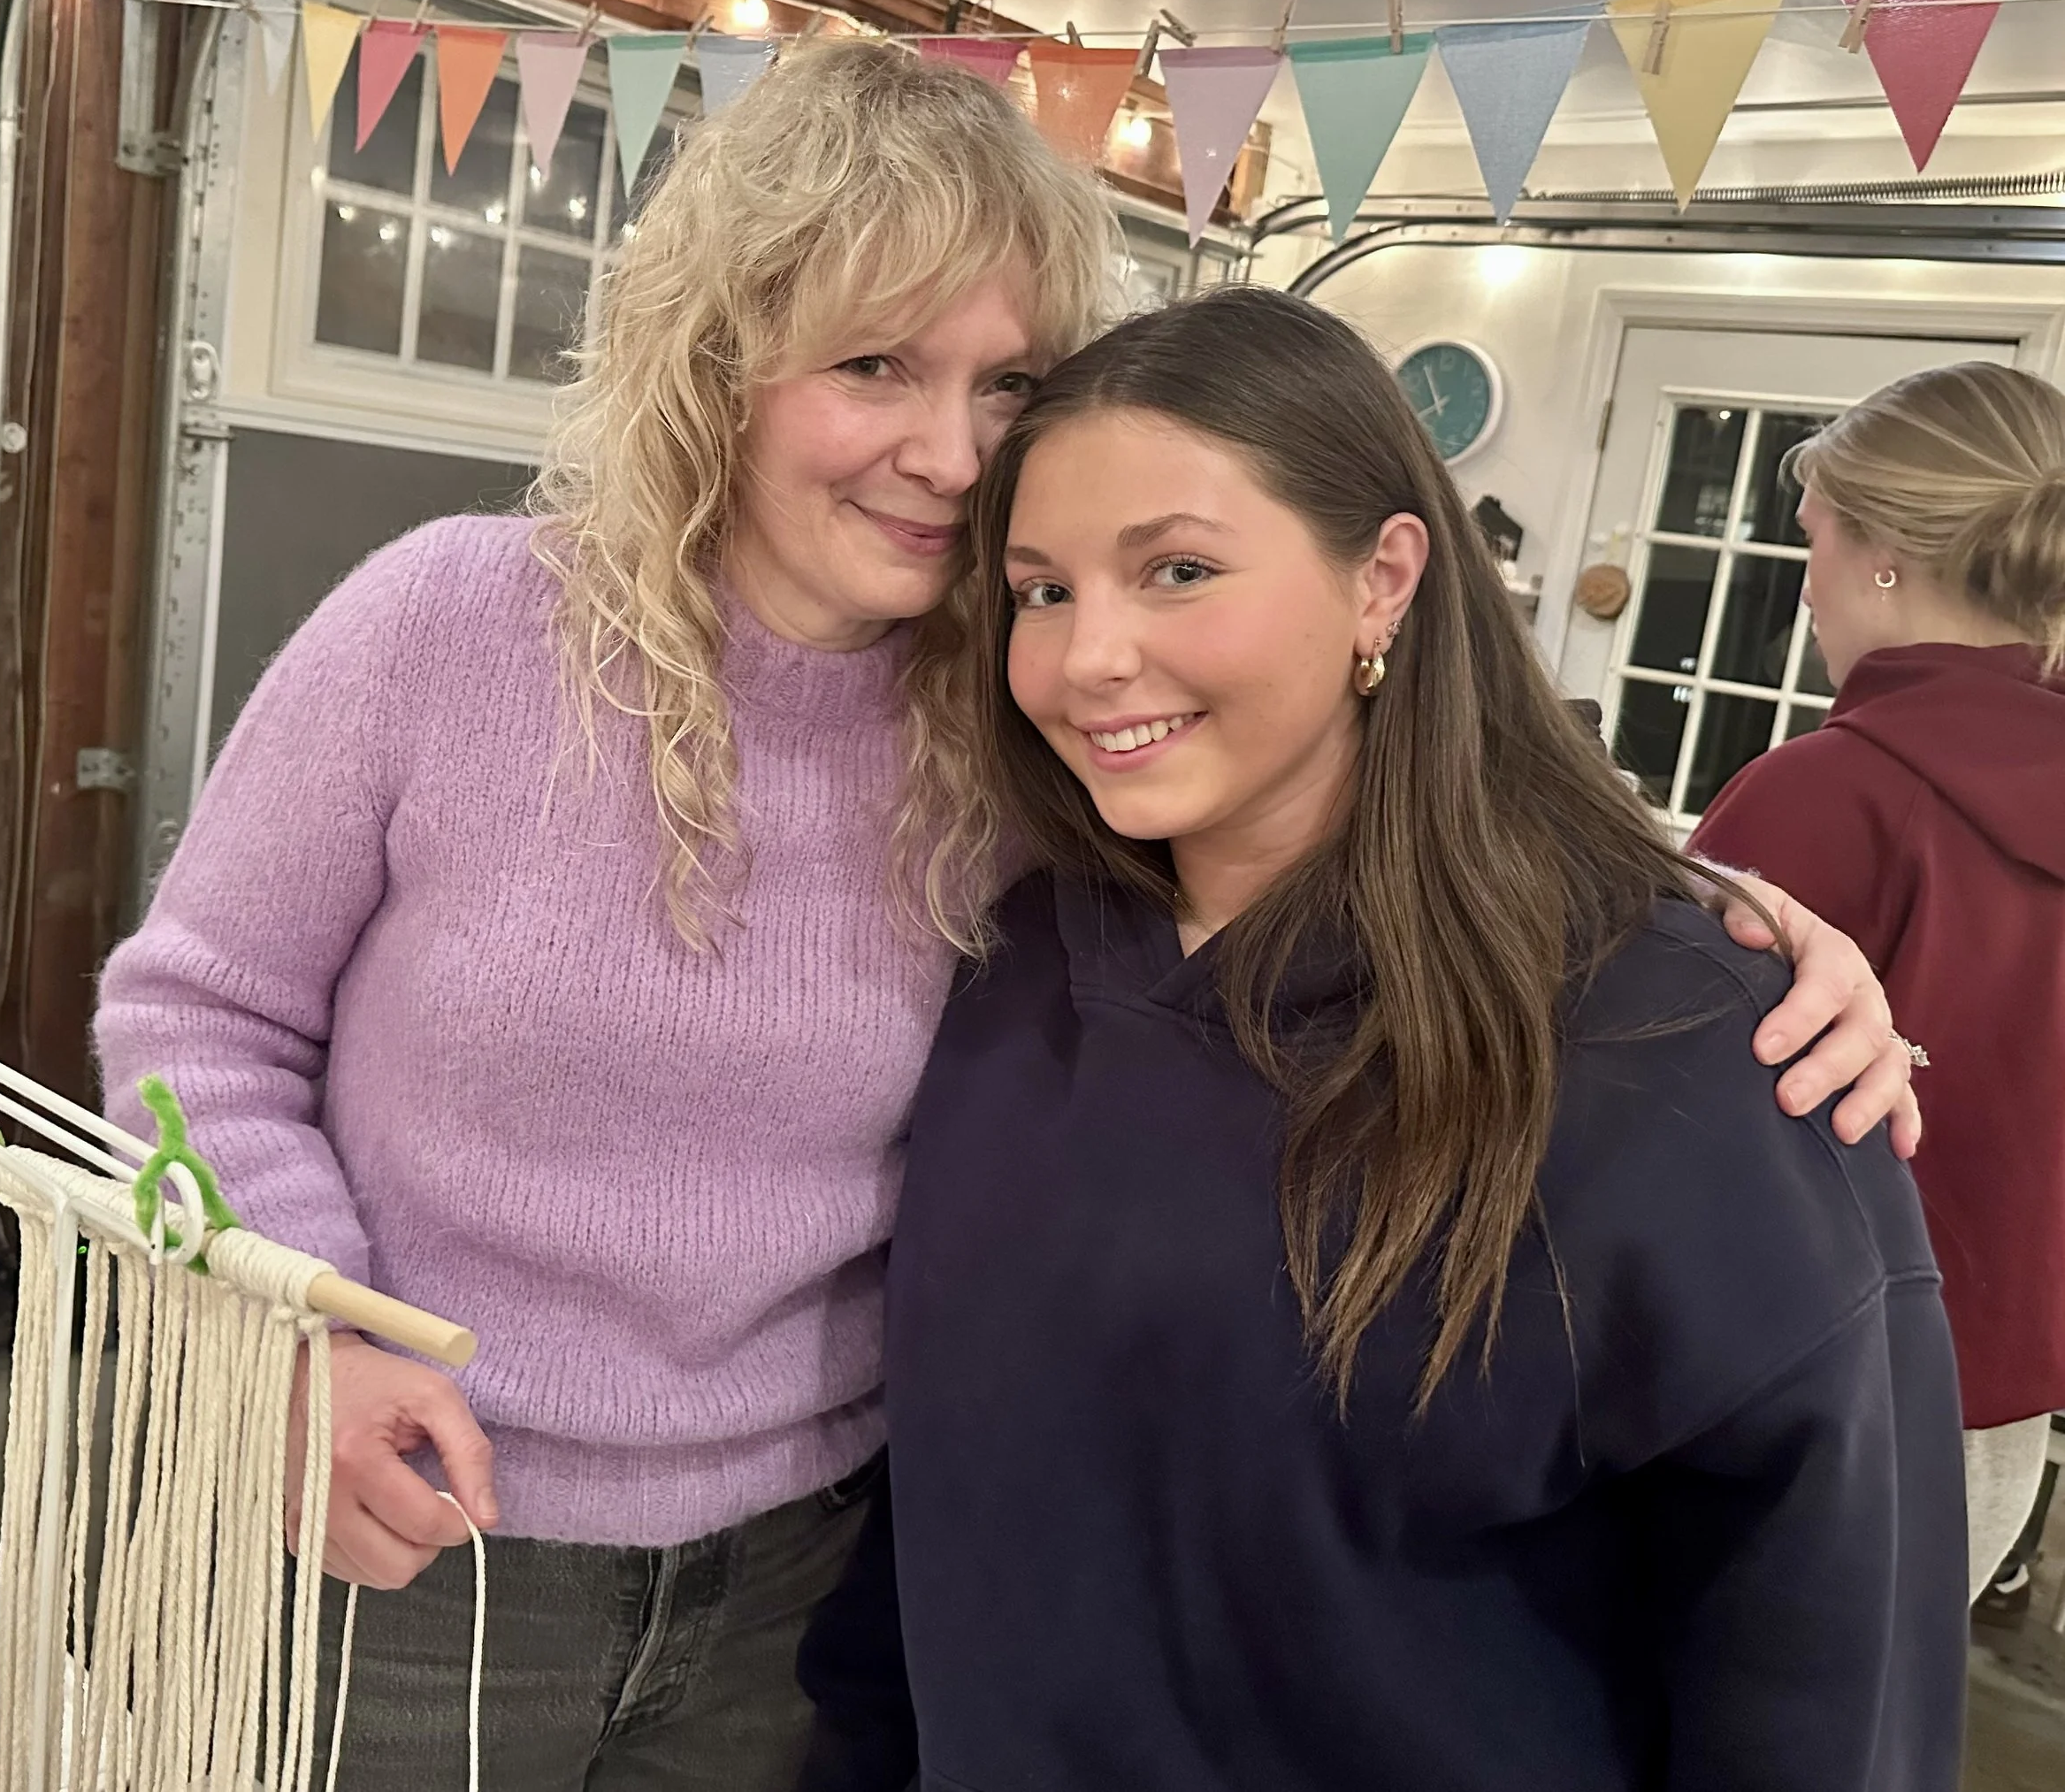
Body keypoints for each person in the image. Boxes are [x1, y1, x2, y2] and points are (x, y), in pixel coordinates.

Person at [94, 43, 1916, 1788]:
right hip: (406, 1538)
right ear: (723, 362)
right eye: (875, 365)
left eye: (1007, 387)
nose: (953, 455)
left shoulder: (1019, 723)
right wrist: (302, 1325)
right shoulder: (451, 624)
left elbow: (1342, 796)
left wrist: (1698, 911)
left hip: (804, 1584)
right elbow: (197, 1017)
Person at [796, 290, 1966, 1792]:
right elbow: (937, 1530)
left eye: (1178, 569)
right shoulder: (1008, 966)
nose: (1089, 659)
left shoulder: (1697, 1053)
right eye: (1041, 590)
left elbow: (1826, 1681)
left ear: (1383, 581)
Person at [1690, 361, 2065, 1609]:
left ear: (1888, 555)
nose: (1804, 594)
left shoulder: (1829, 793)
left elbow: (1649, 1121)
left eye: (1816, 543)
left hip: (1803, 1390)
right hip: (2005, 1410)